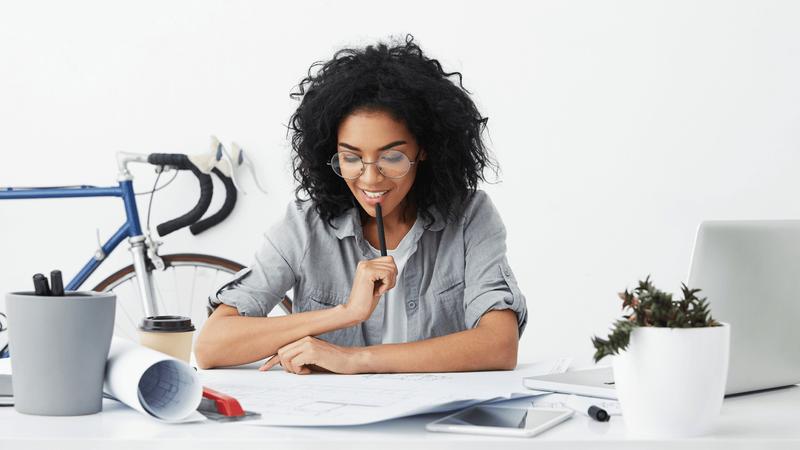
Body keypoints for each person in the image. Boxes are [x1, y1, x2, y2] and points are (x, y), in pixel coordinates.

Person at [195, 35, 527, 374]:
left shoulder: (470, 216)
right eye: (351, 158)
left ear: (424, 149)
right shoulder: (304, 226)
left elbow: (499, 345)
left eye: (392, 156)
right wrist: (346, 312)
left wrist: (353, 359)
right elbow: (211, 346)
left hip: (435, 421)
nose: (370, 179)